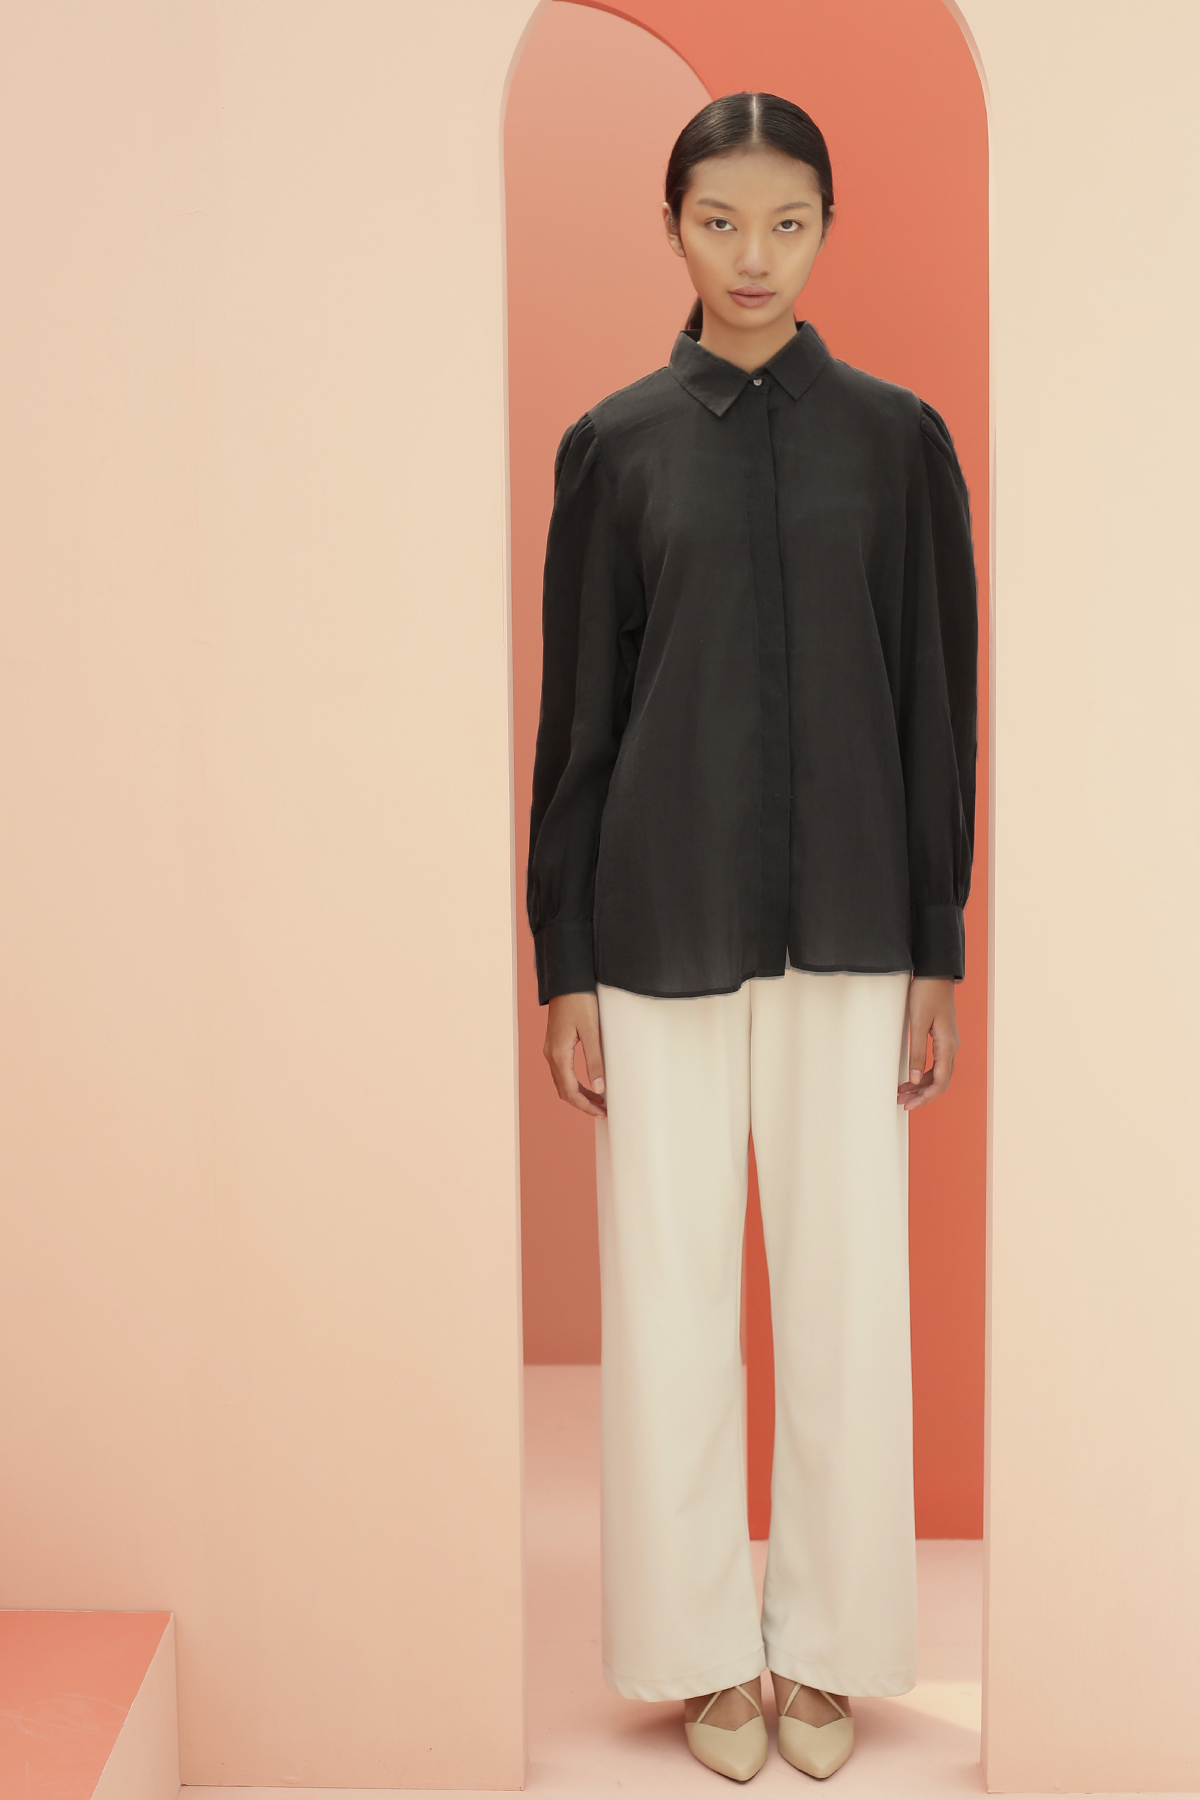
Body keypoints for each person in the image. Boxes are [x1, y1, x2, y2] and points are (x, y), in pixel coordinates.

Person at [526, 91, 977, 1783]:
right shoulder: (617, 446)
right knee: (668, 1300)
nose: (754, 257)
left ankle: (833, 1653)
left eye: (787, 222)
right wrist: (564, 955)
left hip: (857, 923)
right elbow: (580, 720)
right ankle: (704, 1658)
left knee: (850, 1298)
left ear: (826, 228)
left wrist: (937, 939)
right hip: (658, 921)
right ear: (674, 229)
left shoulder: (899, 442)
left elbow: (936, 706)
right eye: (720, 222)